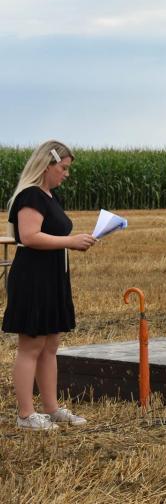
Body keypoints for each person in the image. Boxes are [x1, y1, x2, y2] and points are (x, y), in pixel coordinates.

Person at [3, 140, 96, 430]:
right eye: (64, 168)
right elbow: (30, 236)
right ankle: (25, 415)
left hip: (53, 276)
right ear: (48, 164)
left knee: (50, 345)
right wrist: (70, 241)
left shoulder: (50, 196)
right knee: (31, 345)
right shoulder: (31, 196)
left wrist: (80, 239)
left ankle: (51, 408)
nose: (66, 174)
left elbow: (51, 234)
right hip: (33, 278)